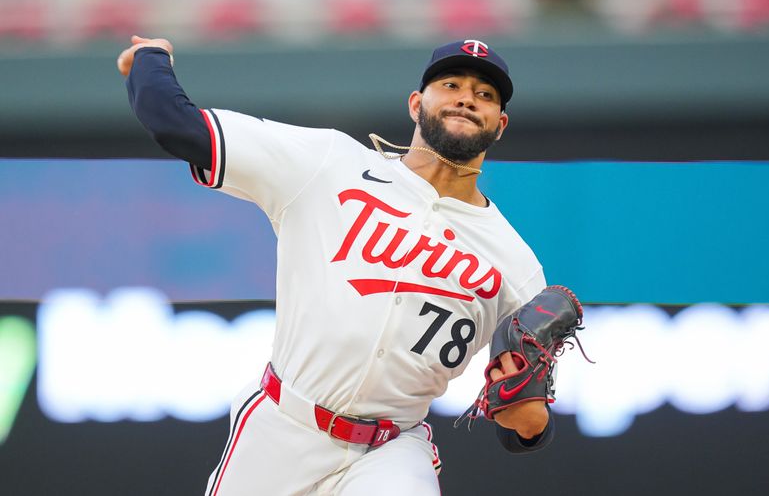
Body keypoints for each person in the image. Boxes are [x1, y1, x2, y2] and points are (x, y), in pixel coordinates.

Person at [118, 36, 553, 496]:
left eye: (486, 95)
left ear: (499, 124)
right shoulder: (329, 164)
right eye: (451, 84)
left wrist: (528, 424)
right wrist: (151, 58)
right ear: (415, 103)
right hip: (281, 428)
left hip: (391, 451)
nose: (467, 97)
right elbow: (177, 125)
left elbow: (522, 425)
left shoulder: (516, 264)